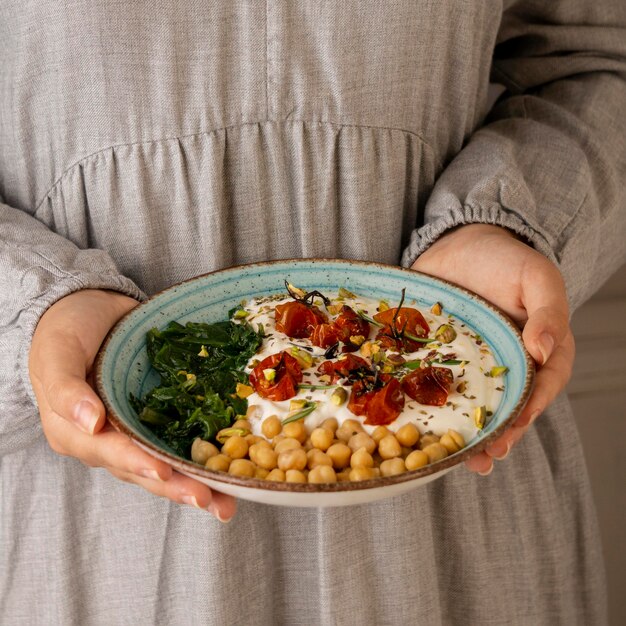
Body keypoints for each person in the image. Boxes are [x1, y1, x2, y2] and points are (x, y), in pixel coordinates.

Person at [1, 1, 625, 624]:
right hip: (98, 510)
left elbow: (594, 59)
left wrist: (511, 217)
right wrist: (37, 298)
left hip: (459, 487)